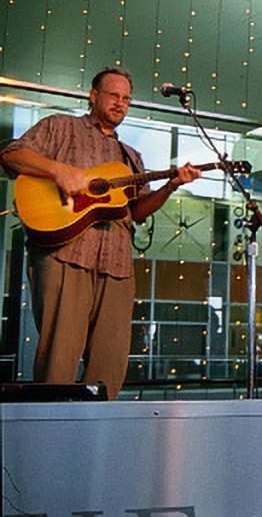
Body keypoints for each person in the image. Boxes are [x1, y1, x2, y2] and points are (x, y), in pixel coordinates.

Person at [0, 68, 202, 399]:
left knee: (109, 367)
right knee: (58, 362)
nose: (120, 104)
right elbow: (11, 154)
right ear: (93, 96)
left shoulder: (131, 157)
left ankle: (97, 438)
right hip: (67, 254)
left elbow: (137, 211)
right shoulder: (60, 127)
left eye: (126, 99)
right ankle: (50, 441)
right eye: (113, 95)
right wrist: (59, 170)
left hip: (117, 264)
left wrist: (172, 185)